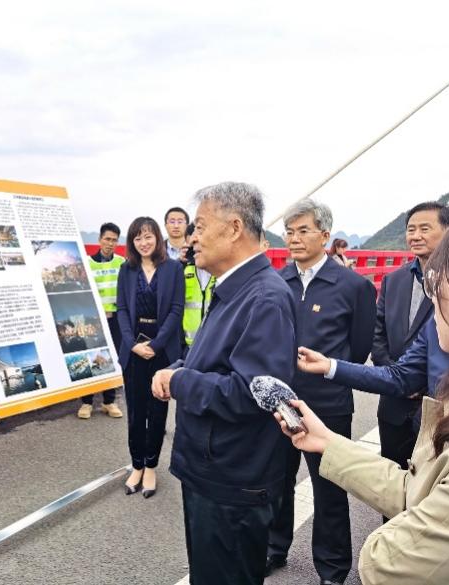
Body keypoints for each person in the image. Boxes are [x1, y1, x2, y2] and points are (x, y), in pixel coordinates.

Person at [281, 226, 449, 584]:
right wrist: (330, 368)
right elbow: (399, 376)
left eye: (438, 285)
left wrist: (384, 546)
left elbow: (387, 563)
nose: (433, 299)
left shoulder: (350, 283)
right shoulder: (432, 328)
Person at [152, 182, 297, 585]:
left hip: (231, 479)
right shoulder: (235, 288)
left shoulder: (263, 297)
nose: (192, 238)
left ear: (234, 228)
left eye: (199, 226)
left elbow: (254, 394)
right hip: (212, 468)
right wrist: (180, 367)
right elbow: (215, 357)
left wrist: (180, 381)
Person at [266, 200, 376, 585]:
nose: (294, 238)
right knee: (276, 479)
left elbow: (359, 348)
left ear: (325, 235)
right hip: (279, 401)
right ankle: (274, 547)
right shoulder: (277, 281)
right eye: (289, 231)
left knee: (329, 486)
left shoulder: (353, 286)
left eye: (303, 230)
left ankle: (332, 569)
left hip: (327, 403)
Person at [373, 202, 449, 479]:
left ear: (448, 231)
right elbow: (378, 334)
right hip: (394, 402)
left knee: (431, 481)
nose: (415, 236)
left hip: (437, 404)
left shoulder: (448, 283)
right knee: (391, 475)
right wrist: (396, 375)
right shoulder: (394, 279)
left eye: (425, 229)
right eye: (411, 229)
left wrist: (417, 381)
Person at [117, 217, 184, 498]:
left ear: (157, 237)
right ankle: (137, 465)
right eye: (137, 238)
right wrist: (132, 344)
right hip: (133, 351)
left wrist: (155, 345)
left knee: (157, 412)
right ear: (132, 242)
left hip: (161, 351)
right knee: (135, 413)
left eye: (148, 236)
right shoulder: (126, 269)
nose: (143, 243)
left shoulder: (173, 268)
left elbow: (176, 310)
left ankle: (152, 466)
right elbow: (121, 309)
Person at [80, 222, 125, 418]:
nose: (110, 243)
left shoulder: (122, 263)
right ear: (100, 239)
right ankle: (86, 402)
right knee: (90, 357)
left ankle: (109, 401)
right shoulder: (87, 263)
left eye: (114, 240)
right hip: (93, 319)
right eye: (107, 239)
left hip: (116, 320)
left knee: (112, 359)